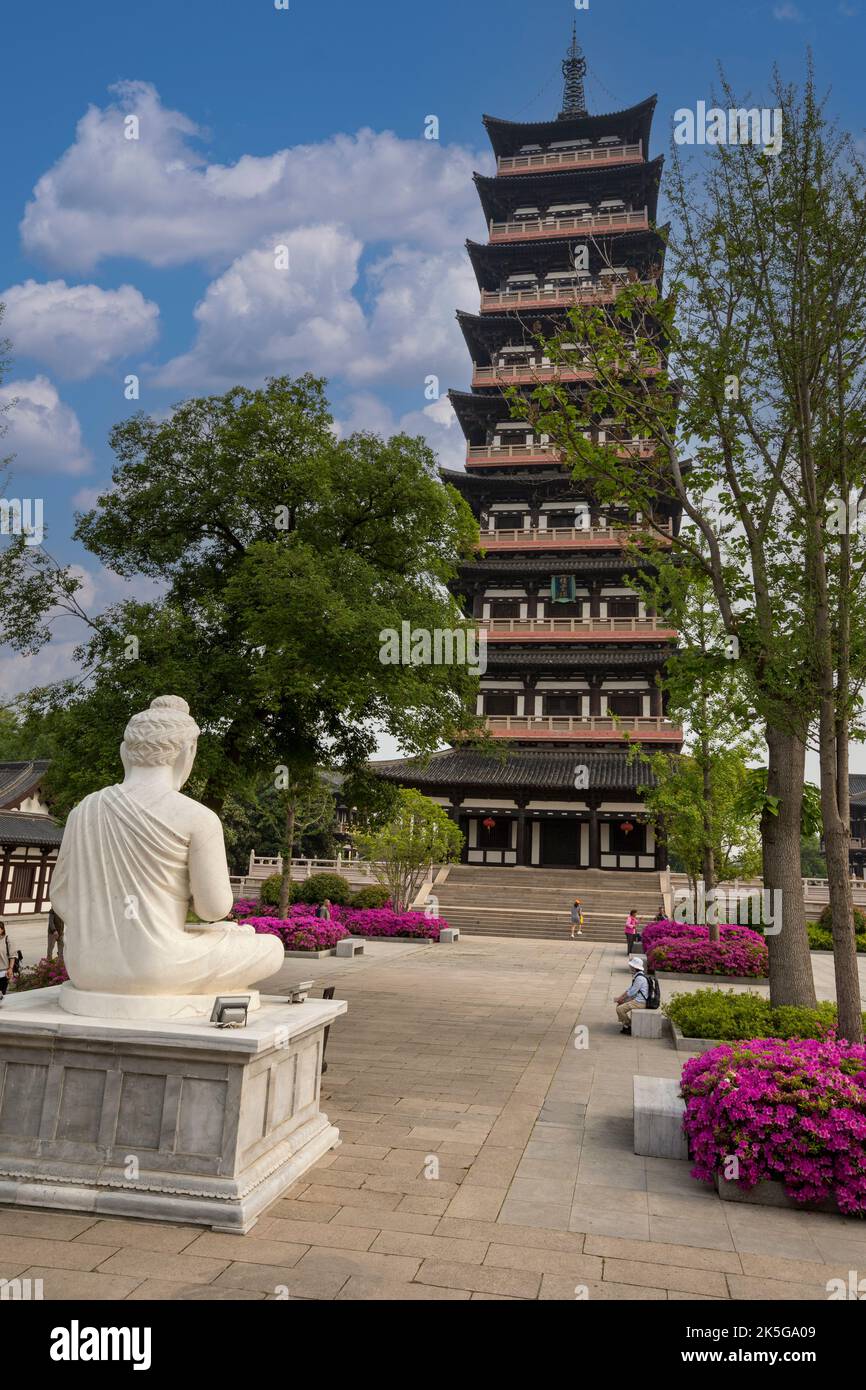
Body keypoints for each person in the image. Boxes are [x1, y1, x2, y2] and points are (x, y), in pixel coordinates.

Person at [614, 957, 650, 1034]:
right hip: (637, 1000)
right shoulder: (638, 976)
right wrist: (620, 998)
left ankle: (630, 1025)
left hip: (640, 1002)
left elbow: (631, 992)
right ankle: (625, 1025)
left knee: (620, 1009)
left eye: (631, 966)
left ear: (635, 967)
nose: (630, 967)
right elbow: (629, 989)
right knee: (619, 1005)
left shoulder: (640, 978)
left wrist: (620, 998)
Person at [0, 923, 14, 1001]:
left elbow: (12, 956)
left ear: (2, 930)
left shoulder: (7, 940)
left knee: (2, 993)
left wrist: (10, 968)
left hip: (3, 972)